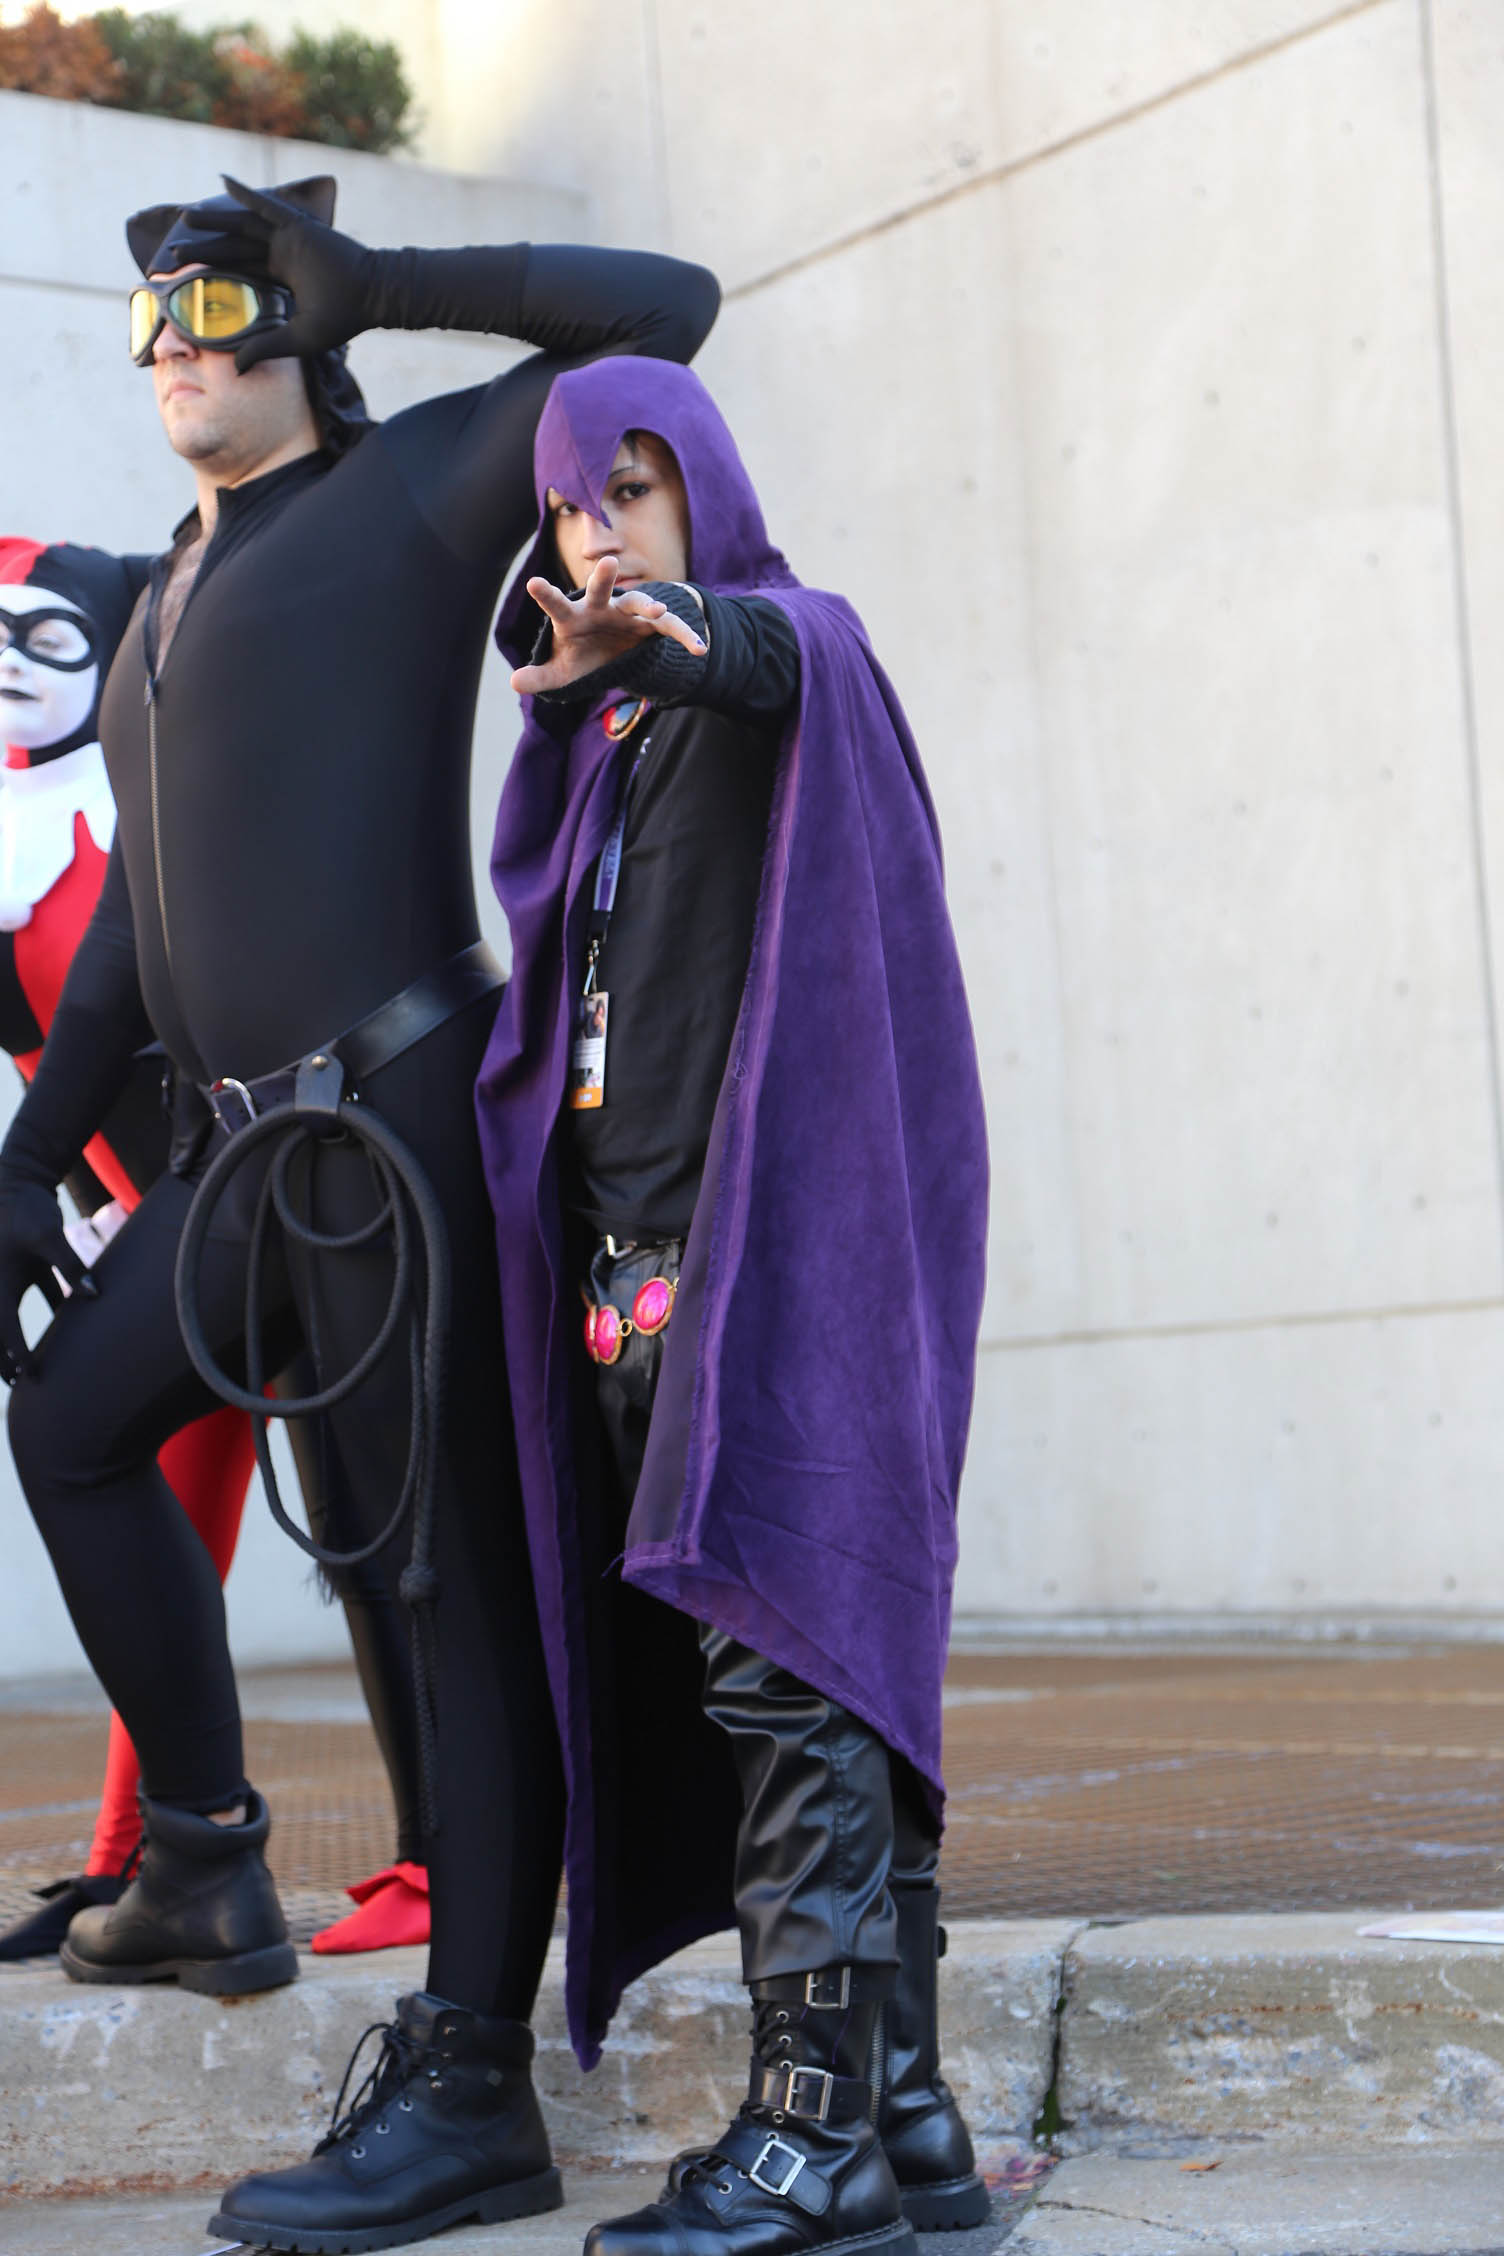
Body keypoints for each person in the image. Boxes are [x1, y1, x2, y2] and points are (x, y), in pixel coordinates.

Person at [0, 174, 717, 2248]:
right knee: (70, 1432)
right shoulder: (156, 606)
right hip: (235, 1148)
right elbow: (138, 923)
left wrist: (391, 285)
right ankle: (205, 1848)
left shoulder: (408, 494)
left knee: (443, 1598)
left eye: (214, 305)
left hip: (400, 1111)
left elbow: (661, 301)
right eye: (146, 322)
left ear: (291, 324)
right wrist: (39, 1150)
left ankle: (474, 2083)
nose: (173, 347)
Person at [478, 359, 988, 2256]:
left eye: (638, 483)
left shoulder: (790, 650)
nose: (602, 527)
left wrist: (672, 631)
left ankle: (812, 2138)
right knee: (786, 1667)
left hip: (780, 1244)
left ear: (703, 486)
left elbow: (756, 649)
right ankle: (910, 2122)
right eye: (573, 501)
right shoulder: (614, 743)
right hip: (641, 1265)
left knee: (792, 1655)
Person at [0, 538, 426, 1964]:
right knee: (120, 1492)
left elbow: (144, 1002)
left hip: (279, 1177)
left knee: (381, 1527)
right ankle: (155, 1861)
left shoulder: (154, 788)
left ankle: (447, 1860)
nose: (9, 660)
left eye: (50, 636)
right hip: (168, 1220)